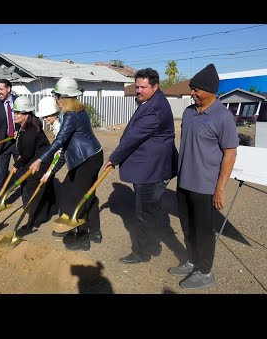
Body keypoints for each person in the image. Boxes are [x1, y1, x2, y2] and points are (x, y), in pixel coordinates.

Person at [171, 63, 238, 290]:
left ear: (210, 90)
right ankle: (192, 261)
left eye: (196, 89)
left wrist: (220, 188)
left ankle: (206, 272)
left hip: (205, 186)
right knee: (188, 227)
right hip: (184, 183)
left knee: (203, 231)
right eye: (192, 88)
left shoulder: (223, 116)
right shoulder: (189, 112)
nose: (192, 93)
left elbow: (230, 153)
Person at [105, 68, 178, 265]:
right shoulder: (153, 101)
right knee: (150, 210)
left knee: (143, 213)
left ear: (155, 86)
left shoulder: (154, 109)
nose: (138, 90)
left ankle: (142, 252)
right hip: (153, 167)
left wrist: (114, 158)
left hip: (150, 170)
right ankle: (153, 246)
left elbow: (132, 138)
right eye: (136, 86)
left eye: (143, 87)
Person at [30, 77, 103, 252]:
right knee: (82, 193)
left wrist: (40, 160)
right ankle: (95, 231)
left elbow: (60, 141)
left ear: (63, 98)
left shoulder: (70, 116)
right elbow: (65, 147)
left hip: (87, 160)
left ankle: (83, 238)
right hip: (90, 156)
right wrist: (51, 169)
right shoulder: (80, 111)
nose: (56, 100)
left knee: (77, 197)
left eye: (57, 97)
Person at [10, 96, 51, 236]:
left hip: (41, 161)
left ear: (26, 114)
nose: (15, 115)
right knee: (30, 187)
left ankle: (32, 221)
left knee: (34, 190)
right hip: (33, 158)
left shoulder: (31, 130)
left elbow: (27, 152)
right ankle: (41, 216)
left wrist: (17, 164)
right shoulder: (24, 126)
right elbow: (26, 152)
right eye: (15, 112)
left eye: (18, 113)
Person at [0, 78, 20, 200]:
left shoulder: (19, 101)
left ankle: (28, 199)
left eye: (1, 89)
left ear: (8, 89)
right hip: (3, 143)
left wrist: (19, 130)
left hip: (18, 142)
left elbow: (27, 119)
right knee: (0, 173)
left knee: (23, 169)